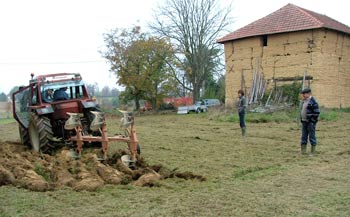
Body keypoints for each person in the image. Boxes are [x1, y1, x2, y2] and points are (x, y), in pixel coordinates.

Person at [300, 88, 320, 157]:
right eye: (303, 94)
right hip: (304, 122)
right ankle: (303, 151)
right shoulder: (304, 101)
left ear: (309, 93)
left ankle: (312, 152)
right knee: (303, 136)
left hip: (310, 123)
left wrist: (312, 121)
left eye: (304, 94)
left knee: (312, 137)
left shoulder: (313, 102)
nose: (303, 95)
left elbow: (317, 113)